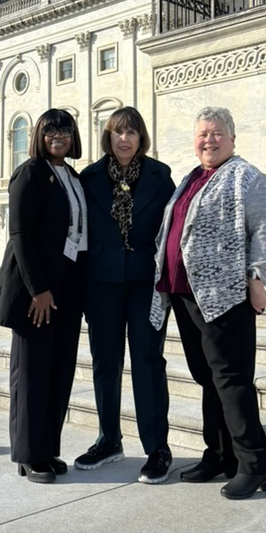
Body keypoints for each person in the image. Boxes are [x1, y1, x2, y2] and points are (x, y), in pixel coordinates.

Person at [150, 106, 266, 500]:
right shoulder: (191, 178)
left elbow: (265, 229)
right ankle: (219, 454)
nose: (209, 139)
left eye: (217, 133)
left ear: (232, 138)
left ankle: (255, 465)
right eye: (203, 134)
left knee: (231, 379)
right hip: (186, 295)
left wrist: (257, 277)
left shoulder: (247, 177)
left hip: (224, 296)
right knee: (207, 377)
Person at [74, 107, 176, 483]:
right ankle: (109, 439)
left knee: (148, 363)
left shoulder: (160, 176)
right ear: (108, 136)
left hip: (146, 285)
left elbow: (171, 231)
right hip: (101, 285)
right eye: (118, 132)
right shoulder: (89, 178)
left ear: (141, 137)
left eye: (132, 132)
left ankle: (157, 448)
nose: (124, 139)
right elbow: (79, 235)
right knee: (106, 362)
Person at [0, 108, 87, 483]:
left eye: (64, 130)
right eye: (50, 131)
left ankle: (46, 448)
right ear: (39, 136)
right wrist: (39, 290)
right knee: (31, 374)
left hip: (67, 289)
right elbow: (19, 235)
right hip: (38, 293)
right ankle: (28, 454)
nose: (58, 136)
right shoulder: (30, 173)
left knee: (59, 371)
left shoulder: (73, 177)